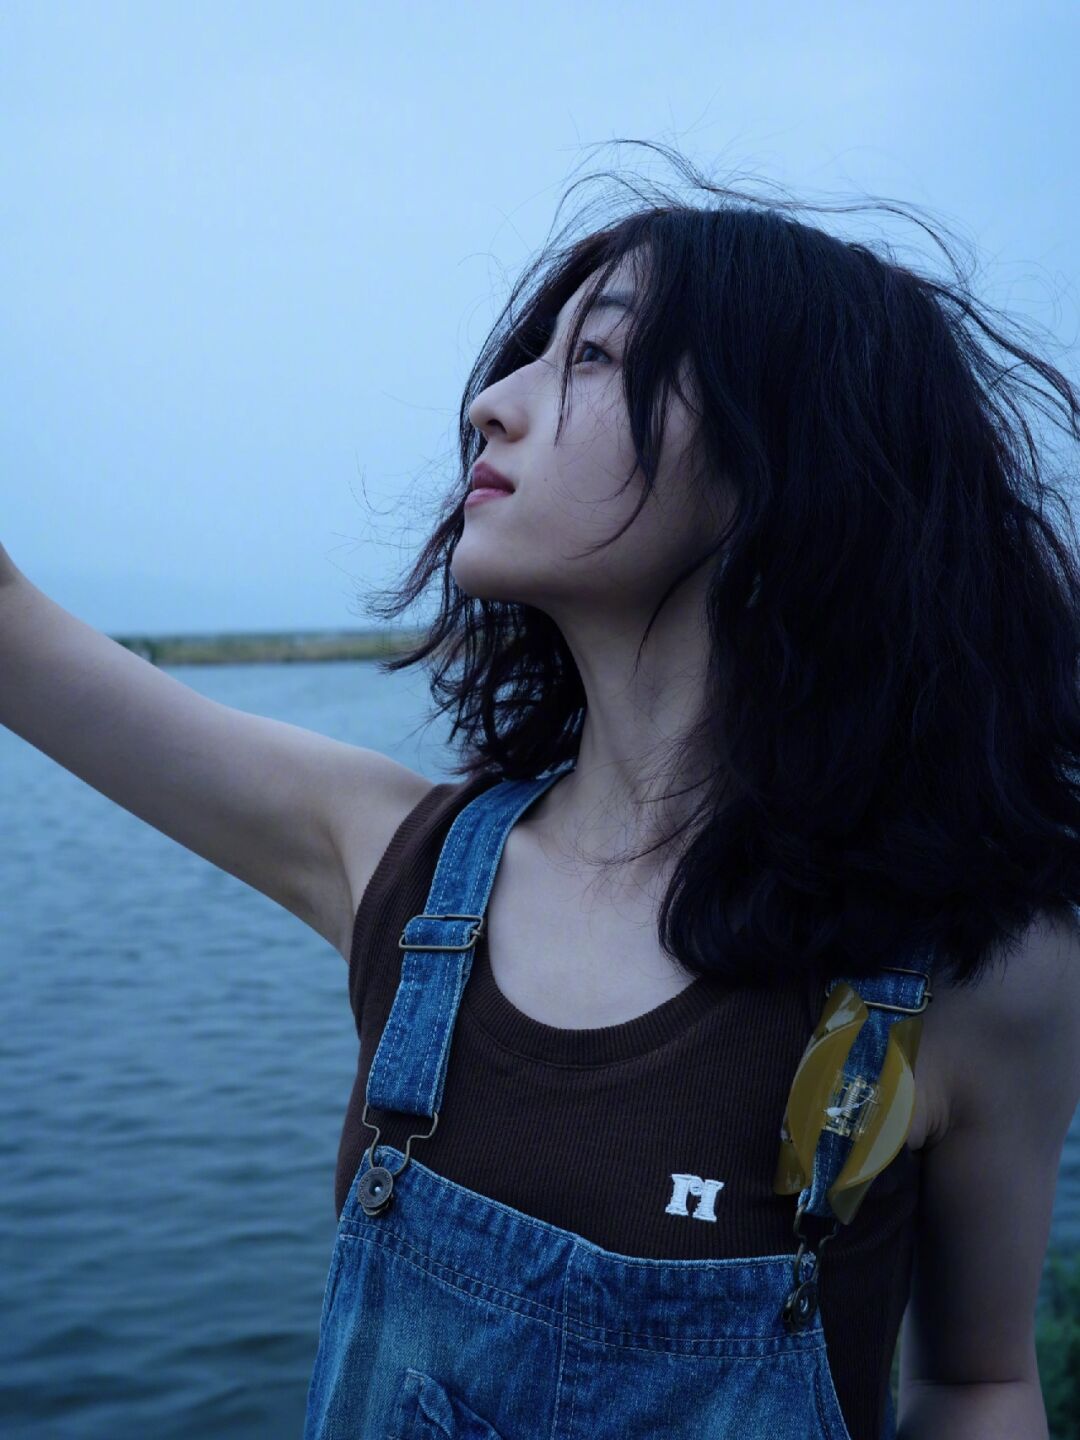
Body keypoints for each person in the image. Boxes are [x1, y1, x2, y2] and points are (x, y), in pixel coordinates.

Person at [3, 150, 1080, 1439]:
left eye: (595, 356)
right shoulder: (400, 868)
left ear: (785, 456)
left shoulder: (975, 970)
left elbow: (975, 1382)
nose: (490, 406)